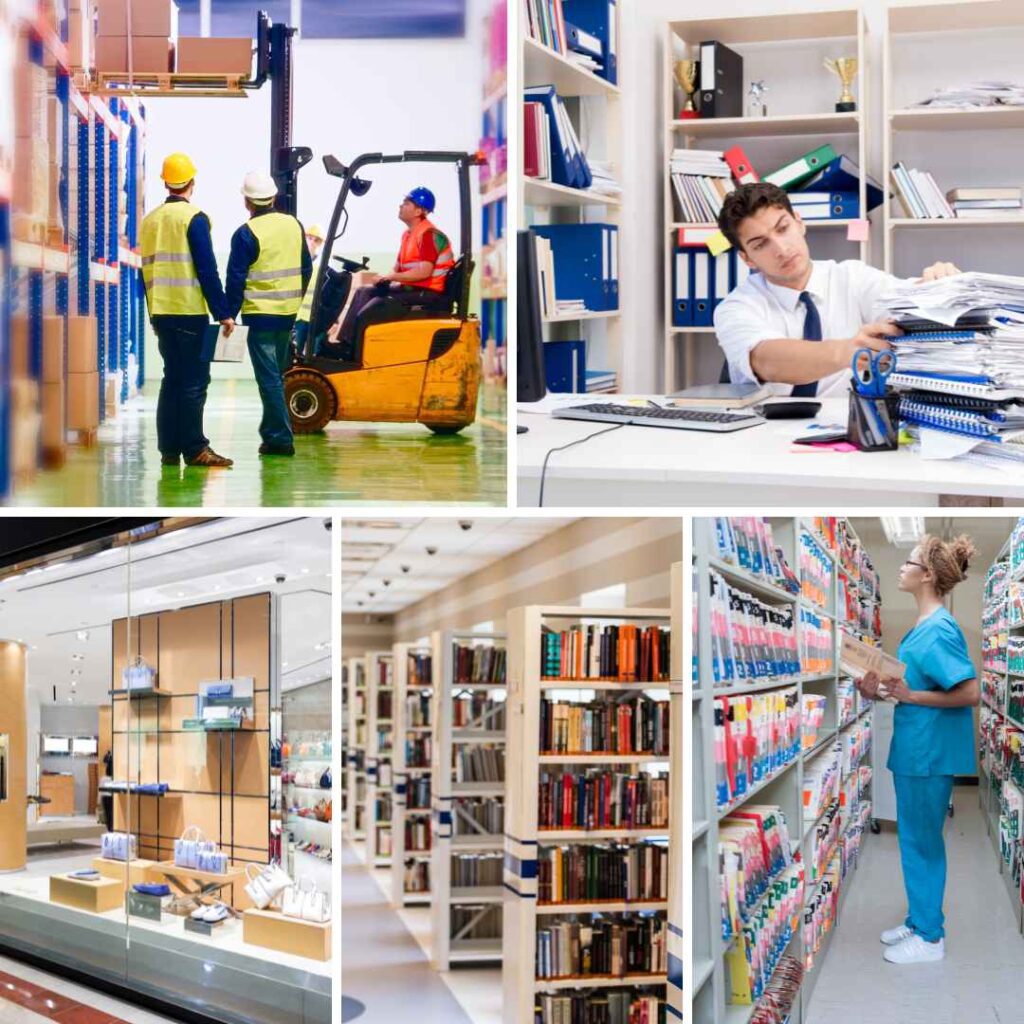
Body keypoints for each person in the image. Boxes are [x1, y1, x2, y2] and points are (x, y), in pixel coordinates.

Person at [713, 182, 962, 396]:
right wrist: (846, 351)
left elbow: (902, 300)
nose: (780, 248)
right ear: (747, 259)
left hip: (846, 426)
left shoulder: (851, 276)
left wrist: (936, 285)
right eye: (760, 244)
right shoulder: (736, 307)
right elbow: (765, 360)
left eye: (783, 228)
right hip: (764, 433)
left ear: (799, 223)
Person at [856, 533, 979, 965]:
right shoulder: (922, 628)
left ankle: (930, 938)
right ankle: (918, 918)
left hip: (930, 754)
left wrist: (909, 697)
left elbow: (970, 692)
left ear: (926, 575)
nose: (902, 569)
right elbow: (912, 688)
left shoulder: (939, 630)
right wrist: (879, 690)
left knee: (922, 843)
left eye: (908, 564)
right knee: (912, 840)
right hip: (916, 749)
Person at [139, 152, 235, 468]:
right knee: (194, 381)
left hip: (162, 314)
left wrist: (154, 314)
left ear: (166, 183)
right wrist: (223, 312)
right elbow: (207, 270)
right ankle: (195, 448)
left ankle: (169, 450)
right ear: (191, 183)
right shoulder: (194, 218)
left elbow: (145, 272)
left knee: (172, 379)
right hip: (189, 313)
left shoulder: (150, 220)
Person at [225, 172, 312, 457]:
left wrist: (228, 314)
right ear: (273, 197)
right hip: (287, 314)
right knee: (277, 374)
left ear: (247, 202)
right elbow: (306, 268)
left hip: (260, 316)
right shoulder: (294, 225)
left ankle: (280, 439)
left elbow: (236, 279)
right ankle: (273, 431)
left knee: (269, 378)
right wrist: (295, 300)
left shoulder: (245, 234)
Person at [335, 186, 454, 354]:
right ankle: (345, 345)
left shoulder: (428, 235)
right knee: (363, 292)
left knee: (373, 308)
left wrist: (392, 276)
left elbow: (424, 272)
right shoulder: (408, 235)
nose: (401, 205)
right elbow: (397, 267)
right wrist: (384, 277)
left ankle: (354, 351)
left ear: (419, 210)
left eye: (406, 203)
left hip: (428, 294)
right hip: (413, 289)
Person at [293, 222, 326, 356]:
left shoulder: (324, 266)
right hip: (298, 317)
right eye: (309, 238)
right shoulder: (296, 261)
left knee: (313, 355)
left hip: (315, 318)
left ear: (321, 244)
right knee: (295, 353)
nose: (312, 242)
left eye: (316, 240)